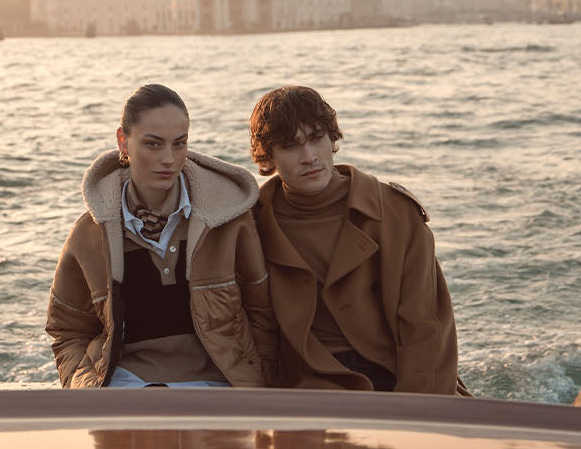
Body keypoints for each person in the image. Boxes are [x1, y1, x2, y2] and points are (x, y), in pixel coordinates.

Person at [46, 84, 277, 388]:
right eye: (153, 144)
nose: (168, 158)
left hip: (218, 388)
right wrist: (87, 389)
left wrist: (257, 387)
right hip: (123, 389)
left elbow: (262, 314)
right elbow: (67, 330)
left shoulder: (229, 221)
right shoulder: (89, 235)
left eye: (179, 144)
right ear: (123, 142)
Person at [249, 85, 466, 394]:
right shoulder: (252, 225)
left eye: (316, 138)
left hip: (397, 378)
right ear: (268, 155)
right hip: (305, 386)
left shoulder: (394, 213)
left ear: (332, 139)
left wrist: (416, 414)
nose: (308, 157)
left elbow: (426, 326)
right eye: (290, 146)